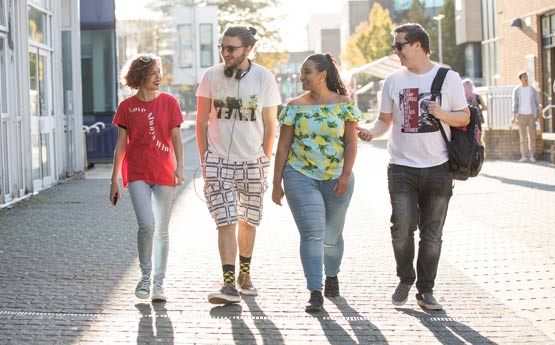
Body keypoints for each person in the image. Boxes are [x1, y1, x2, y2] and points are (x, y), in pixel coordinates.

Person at [358, 23, 469, 310]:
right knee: (401, 227)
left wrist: (441, 113)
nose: (396, 51)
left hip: (438, 167)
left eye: (400, 45)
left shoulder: (448, 78)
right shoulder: (393, 81)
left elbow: (463, 117)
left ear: (417, 45)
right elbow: (384, 120)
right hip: (402, 167)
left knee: (432, 234)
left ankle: (425, 290)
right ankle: (406, 277)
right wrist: (373, 131)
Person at [196, 25, 281, 304]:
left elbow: (271, 124)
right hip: (218, 161)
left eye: (230, 48)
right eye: (222, 47)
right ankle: (229, 283)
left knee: (248, 221)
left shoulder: (264, 78)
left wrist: (264, 159)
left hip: (253, 162)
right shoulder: (210, 76)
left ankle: (245, 275)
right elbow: (201, 122)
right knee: (226, 220)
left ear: (247, 49)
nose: (225, 52)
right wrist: (205, 159)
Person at [272, 53, 361, 312]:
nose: (302, 77)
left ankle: (331, 275)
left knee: (331, 237)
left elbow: (352, 142)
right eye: (302, 72)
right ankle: (315, 290)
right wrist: (277, 183)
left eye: (307, 72)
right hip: (300, 175)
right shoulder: (294, 106)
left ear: (322, 75)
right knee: (312, 234)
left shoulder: (344, 104)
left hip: (336, 178)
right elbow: (283, 146)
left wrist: (345, 175)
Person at [109, 53, 185, 302]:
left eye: (159, 72)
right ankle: (144, 276)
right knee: (147, 225)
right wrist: (114, 180)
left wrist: (180, 167)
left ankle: (159, 283)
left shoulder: (169, 102)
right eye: (153, 73)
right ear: (140, 77)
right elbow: (121, 145)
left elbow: (176, 139)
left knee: (161, 229)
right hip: (137, 172)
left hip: (164, 171)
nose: (158, 77)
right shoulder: (126, 107)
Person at [512, 71, 541, 163]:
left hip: (531, 115)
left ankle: (532, 155)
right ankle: (524, 155)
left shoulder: (532, 89)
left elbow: (538, 103)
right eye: (524, 77)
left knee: (532, 136)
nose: (526, 78)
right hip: (521, 115)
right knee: (523, 137)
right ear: (520, 79)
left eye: (526, 76)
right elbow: (514, 104)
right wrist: (514, 116)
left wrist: (537, 115)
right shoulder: (517, 90)